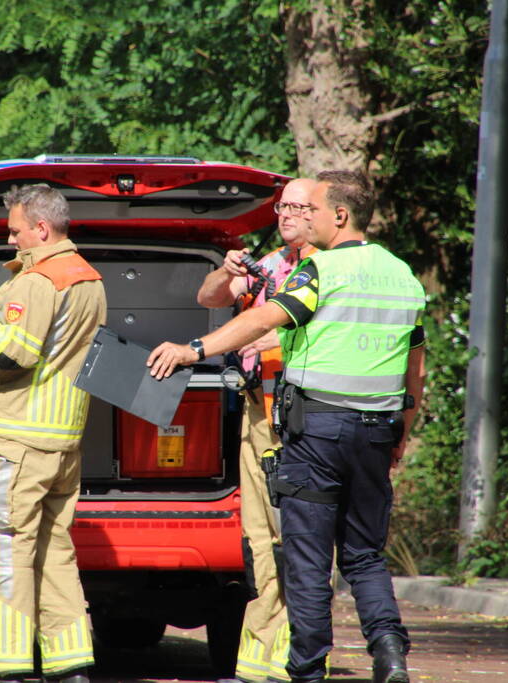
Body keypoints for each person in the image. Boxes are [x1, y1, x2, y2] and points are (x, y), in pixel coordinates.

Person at [147, 170, 425, 683]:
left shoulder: (320, 271)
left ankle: (305, 669)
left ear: (338, 215)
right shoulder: (401, 273)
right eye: (288, 209)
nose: (297, 218)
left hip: (314, 430)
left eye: (309, 209)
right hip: (375, 431)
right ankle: (389, 655)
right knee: (364, 556)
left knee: (305, 557)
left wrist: (195, 351)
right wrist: (402, 431)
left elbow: (265, 319)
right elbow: (415, 367)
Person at [0, 184, 107, 683]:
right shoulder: (89, 278)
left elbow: (13, 354)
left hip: (15, 438)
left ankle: (6, 665)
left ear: (41, 228)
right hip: (61, 438)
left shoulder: (37, 281)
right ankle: (70, 661)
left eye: (15, 231)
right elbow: (48, 348)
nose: (11, 240)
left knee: (6, 547)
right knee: (55, 550)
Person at [196, 178, 317, 683]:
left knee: (294, 541)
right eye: (281, 206)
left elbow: (284, 326)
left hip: (301, 420)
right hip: (258, 414)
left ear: (324, 214)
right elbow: (206, 297)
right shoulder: (271, 265)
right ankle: (259, 662)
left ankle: (295, 657)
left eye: (296, 207)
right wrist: (226, 276)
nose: (284, 214)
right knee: (259, 539)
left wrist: (222, 342)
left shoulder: (325, 270)